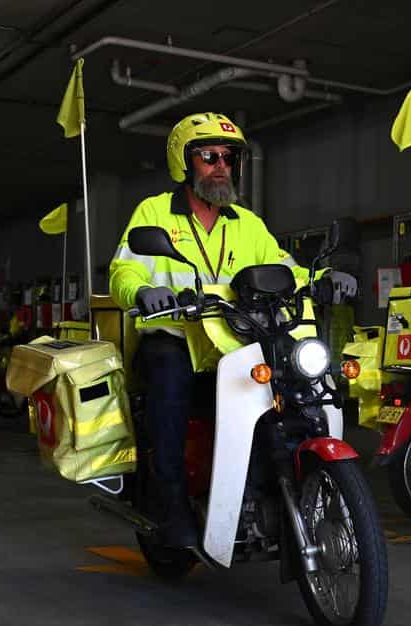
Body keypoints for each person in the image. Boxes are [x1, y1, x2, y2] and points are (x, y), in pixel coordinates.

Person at [109, 112, 357, 548]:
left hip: (234, 340)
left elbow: (284, 267)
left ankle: (267, 489)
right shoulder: (154, 213)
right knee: (169, 397)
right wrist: (142, 292)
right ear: (184, 164)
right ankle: (171, 508)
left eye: (229, 157)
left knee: (291, 392)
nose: (221, 165)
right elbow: (124, 269)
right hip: (177, 338)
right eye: (209, 156)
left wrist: (321, 279)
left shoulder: (247, 223)